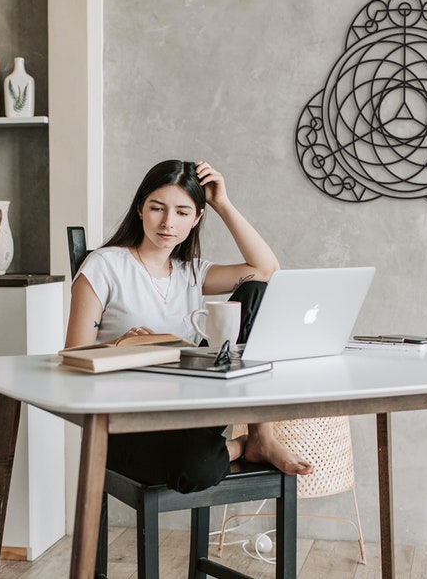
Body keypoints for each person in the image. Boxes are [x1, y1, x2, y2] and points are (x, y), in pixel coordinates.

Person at [64, 159, 313, 493]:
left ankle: (262, 436)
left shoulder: (192, 273)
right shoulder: (105, 265)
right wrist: (119, 345)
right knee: (198, 468)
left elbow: (266, 269)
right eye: (157, 208)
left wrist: (222, 204)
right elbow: (72, 357)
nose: (168, 222)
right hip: (126, 424)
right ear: (140, 209)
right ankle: (241, 446)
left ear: (197, 219)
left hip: (190, 412)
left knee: (257, 291)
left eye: (183, 212)